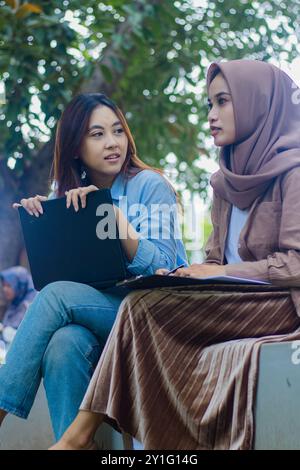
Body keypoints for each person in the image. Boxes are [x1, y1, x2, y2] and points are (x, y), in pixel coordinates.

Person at [50, 59, 300, 451]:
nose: (212, 116)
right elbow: (216, 260)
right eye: (208, 105)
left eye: (222, 102)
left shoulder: (293, 172)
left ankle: (78, 439)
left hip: (278, 303)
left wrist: (218, 273)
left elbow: (296, 265)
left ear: (258, 104)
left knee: (139, 306)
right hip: (230, 298)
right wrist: (196, 274)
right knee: (96, 326)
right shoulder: (224, 181)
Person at [0, 93, 187, 442]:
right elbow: (63, 284)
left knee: (57, 298)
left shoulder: (150, 185)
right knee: (64, 343)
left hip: (152, 313)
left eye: (117, 130)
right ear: (75, 147)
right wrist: (44, 224)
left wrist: (114, 218)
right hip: (106, 316)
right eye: (97, 134)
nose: (112, 142)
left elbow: (164, 267)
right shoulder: (70, 196)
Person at [0, 266, 37, 344]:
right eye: (3, 285)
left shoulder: (31, 305)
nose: (5, 289)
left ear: (20, 285)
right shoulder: (14, 303)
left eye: (9, 285)